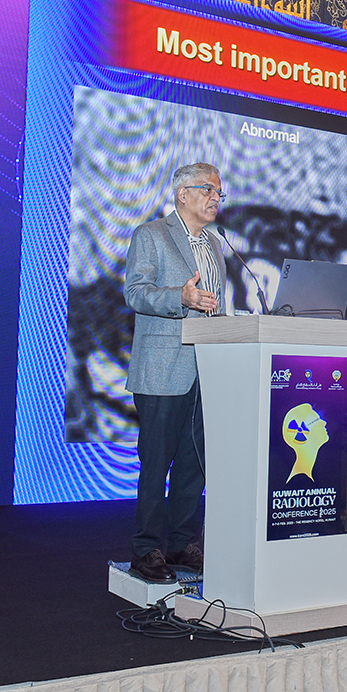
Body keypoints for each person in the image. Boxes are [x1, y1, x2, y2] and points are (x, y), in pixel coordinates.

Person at [123, 163, 227, 582]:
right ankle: (146, 549)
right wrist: (179, 297)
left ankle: (183, 544)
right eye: (208, 190)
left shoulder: (216, 244)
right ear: (183, 194)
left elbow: (214, 305)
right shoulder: (151, 235)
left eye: (219, 193)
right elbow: (135, 292)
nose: (216, 198)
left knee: (193, 464)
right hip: (162, 368)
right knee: (156, 464)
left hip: (207, 370)